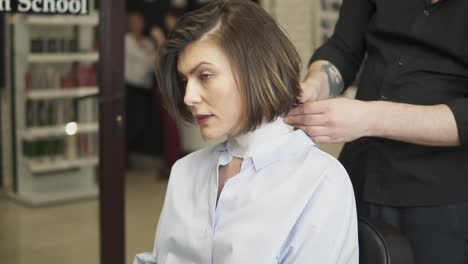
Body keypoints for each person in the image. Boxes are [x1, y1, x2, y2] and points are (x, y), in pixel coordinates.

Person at [134, 0, 358, 263]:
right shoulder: (186, 172)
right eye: (185, 81)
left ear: (254, 69)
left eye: (205, 75)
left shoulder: (320, 181)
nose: (188, 97)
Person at [284, 0, 468, 263]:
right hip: (358, 173)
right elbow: (343, 49)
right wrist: (314, 87)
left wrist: (369, 117)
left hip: (442, 201)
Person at [125, 11, 156, 155]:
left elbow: (154, 64)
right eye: (132, 22)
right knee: (130, 123)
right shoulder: (126, 40)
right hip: (129, 87)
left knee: (140, 123)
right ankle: (122, 154)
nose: (135, 25)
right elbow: (144, 60)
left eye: (138, 21)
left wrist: (148, 55)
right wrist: (147, 54)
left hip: (143, 90)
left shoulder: (148, 42)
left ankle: (125, 152)